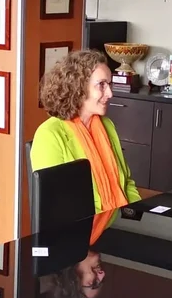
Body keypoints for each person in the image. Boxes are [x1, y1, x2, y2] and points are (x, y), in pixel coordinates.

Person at [30, 49, 142, 215]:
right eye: (101, 85)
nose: (110, 93)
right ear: (78, 88)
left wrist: (137, 215)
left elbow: (127, 183)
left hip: (117, 224)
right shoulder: (50, 134)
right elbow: (57, 203)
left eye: (109, 85)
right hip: (78, 231)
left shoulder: (107, 125)